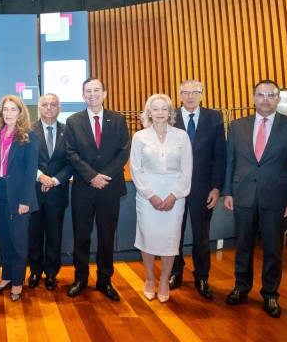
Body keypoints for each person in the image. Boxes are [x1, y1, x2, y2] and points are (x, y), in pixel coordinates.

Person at [223, 80, 287, 318]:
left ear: (278, 99)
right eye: (260, 95)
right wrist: (228, 191)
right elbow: (230, 162)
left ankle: (270, 294)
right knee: (242, 246)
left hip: (278, 198)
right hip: (243, 196)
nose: (265, 99)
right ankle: (241, 287)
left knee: (273, 249)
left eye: (270, 95)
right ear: (253, 98)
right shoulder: (237, 126)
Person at [64, 78, 130, 302]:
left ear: (105, 93)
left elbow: (123, 151)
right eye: (87, 91)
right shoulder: (73, 121)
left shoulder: (118, 119)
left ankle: (105, 279)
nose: (92, 94)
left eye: (96, 90)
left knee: (106, 237)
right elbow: (71, 154)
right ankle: (80, 278)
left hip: (109, 189)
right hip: (84, 188)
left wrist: (105, 177)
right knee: (82, 236)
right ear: (82, 96)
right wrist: (92, 176)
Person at [129, 94, 193, 303]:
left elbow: (187, 169)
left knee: (170, 239)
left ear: (170, 112)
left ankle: (164, 280)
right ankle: (149, 278)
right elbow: (135, 169)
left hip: (175, 193)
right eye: (155, 109)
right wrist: (151, 195)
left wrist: (174, 195)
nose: (159, 113)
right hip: (147, 194)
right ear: (149, 112)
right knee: (148, 236)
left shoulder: (181, 136)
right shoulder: (139, 136)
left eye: (164, 109)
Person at [169, 80, 226, 300]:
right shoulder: (171, 116)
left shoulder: (214, 117)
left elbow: (220, 155)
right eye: (185, 92)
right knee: (176, 233)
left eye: (195, 92)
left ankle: (202, 276)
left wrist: (216, 187)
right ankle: (176, 272)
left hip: (203, 188)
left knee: (202, 235)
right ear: (179, 94)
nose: (190, 96)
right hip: (174, 187)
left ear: (202, 94)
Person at [0, 96, 39, 302]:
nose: (8, 113)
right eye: (5, 110)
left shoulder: (28, 136)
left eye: (13, 110)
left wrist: (25, 201)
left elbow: (30, 171)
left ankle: (17, 283)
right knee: (4, 240)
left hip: (19, 196)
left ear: (20, 113)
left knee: (18, 242)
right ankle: (6, 277)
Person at [27, 93, 72, 291]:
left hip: (57, 192)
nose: (49, 108)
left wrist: (53, 180)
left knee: (54, 235)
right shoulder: (29, 131)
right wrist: (41, 177)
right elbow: (25, 161)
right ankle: (35, 271)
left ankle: (52, 273)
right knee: (34, 234)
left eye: (53, 104)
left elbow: (72, 162)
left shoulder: (69, 131)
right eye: (45, 104)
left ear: (59, 108)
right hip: (34, 191)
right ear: (39, 107)